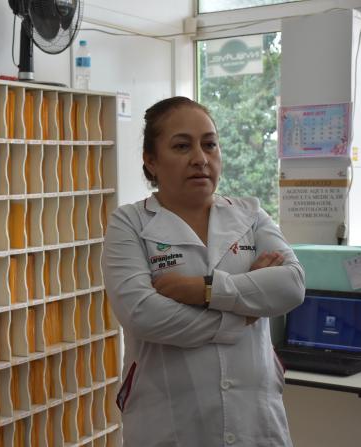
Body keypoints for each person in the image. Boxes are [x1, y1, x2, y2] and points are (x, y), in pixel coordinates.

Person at [102, 96, 305, 446]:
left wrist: (205, 290)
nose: (200, 158)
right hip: (168, 423)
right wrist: (243, 313)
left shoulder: (250, 216)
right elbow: (143, 314)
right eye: (182, 146)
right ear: (151, 161)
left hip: (255, 421)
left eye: (209, 144)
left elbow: (291, 285)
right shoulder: (129, 223)